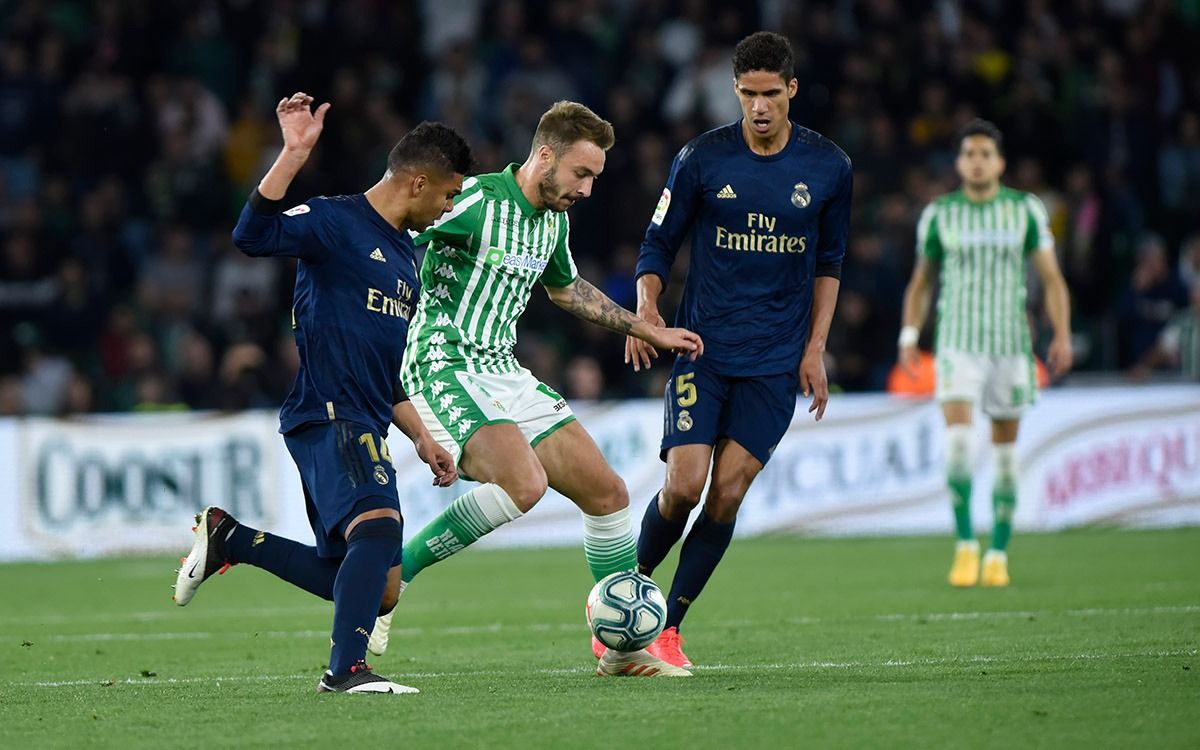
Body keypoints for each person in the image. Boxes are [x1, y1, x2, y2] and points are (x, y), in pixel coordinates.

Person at [366, 100, 703, 678]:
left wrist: (646, 327)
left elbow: (567, 291)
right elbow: (388, 222)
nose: (587, 189)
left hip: (503, 371)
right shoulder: (471, 201)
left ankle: (621, 652)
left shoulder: (553, 220)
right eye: (581, 173)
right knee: (525, 484)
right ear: (544, 154)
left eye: (594, 177)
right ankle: (390, 575)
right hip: (440, 362)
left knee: (609, 493)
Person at [173, 92, 470, 695]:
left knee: (376, 585)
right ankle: (346, 671)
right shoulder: (335, 222)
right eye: (446, 195)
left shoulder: (406, 261)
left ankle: (233, 540)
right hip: (329, 413)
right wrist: (292, 155)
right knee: (380, 526)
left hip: (366, 415)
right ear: (418, 182)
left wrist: (422, 437)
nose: (446, 209)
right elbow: (251, 236)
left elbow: (387, 370)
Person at [625, 31, 852, 669]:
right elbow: (657, 245)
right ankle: (622, 593)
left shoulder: (829, 166)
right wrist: (646, 308)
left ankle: (667, 626)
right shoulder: (701, 158)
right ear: (735, 90)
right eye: (748, 94)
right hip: (704, 348)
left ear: (791, 91)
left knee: (726, 493)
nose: (758, 106)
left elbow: (829, 263)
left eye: (770, 94)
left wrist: (815, 348)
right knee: (685, 485)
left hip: (777, 362)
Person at [898, 118, 1073, 589]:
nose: (976, 161)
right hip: (956, 343)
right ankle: (964, 544)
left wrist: (1062, 333)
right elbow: (922, 281)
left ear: (999, 162)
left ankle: (998, 550)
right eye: (968, 154)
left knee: (1005, 455)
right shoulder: (940, 214)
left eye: (984, 154)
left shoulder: (1025, 210)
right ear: (958, 162)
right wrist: (909, 335)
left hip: (1011, 346)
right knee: (958, 444)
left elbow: (1053, 279)